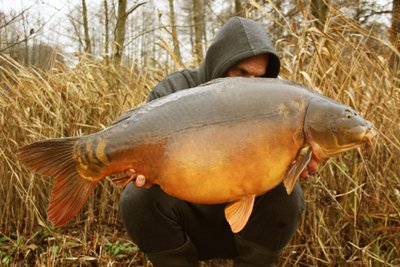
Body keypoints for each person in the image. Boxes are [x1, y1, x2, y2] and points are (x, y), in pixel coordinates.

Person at [120, 16, 318, 266]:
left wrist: (295, 164)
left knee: (288, 196)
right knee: (136, 199)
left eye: (259, 77)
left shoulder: (279, 107)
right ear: (220, 63)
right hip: (186, 218)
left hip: (244, 223)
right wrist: (140, 169)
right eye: (242, 73)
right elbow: (141, 148)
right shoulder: (174, 90)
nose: (250, 85)